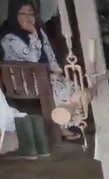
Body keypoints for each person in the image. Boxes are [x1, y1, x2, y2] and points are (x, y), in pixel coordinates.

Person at [1, 0, 80, 140]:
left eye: (31, 13)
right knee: (59, 89)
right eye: (22, 13)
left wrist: (56, 69)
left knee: (73, 87)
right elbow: (33, 58)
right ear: (14, 15)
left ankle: (73, 122)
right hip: (24, 81)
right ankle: (62, 127)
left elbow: (49, 53)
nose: (27, 17)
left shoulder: (39, 30)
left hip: (44, 76)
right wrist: (33, 35)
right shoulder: (9, 38)